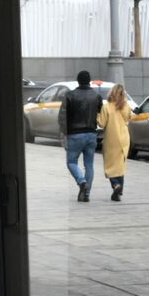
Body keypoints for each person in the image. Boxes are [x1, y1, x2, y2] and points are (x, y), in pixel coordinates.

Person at [59, 70, 102, 202]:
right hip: (91, 134)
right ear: (89, 81)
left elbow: (62, 117)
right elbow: (100, 112)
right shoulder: (96, 96)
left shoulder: (70, 96)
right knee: (89, 165)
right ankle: (86, 194)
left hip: (75, 135)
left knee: (71, 162)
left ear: (78, 81)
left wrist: (63, 133)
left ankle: (81, 181)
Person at [98, 83, 132, 202]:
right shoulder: (126, 106)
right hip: (124, 138)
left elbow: (101, 123)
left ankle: (116, 185)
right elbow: (129, 118)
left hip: (111, 139)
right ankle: (118, 191)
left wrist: (97, 115)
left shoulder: (107, 107)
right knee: (120, 165)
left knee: (110, 165)